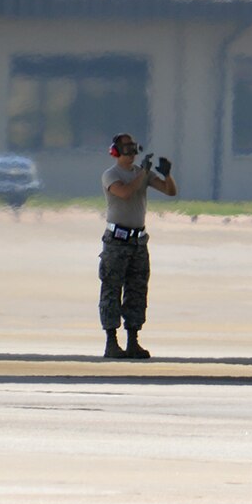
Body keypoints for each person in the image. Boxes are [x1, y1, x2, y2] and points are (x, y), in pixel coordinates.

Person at [100, 132, 177, 358]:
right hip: (116, 241)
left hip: (137, 241)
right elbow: (123, 193)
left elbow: (169, 191)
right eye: (126, 148)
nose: (131, 152)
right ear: (116, 151)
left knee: (137, 290)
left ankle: (133, 340)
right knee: (112, 290)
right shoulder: (111, 175)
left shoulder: (141, 173)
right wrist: (143, 173)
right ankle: (111, 342)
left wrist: (167, 175)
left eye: (133, 148)